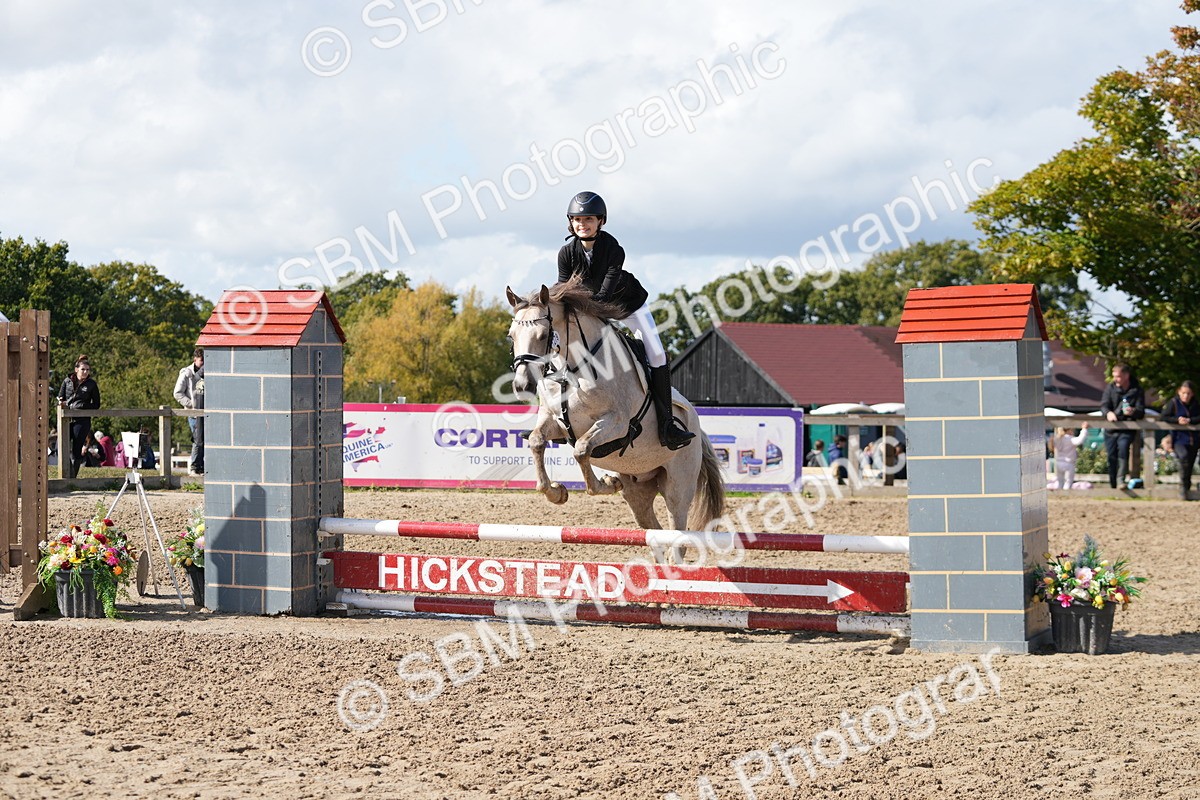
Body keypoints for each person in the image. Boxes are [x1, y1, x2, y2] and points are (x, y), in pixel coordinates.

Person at [557, 192, 694, 450]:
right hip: (592, 311)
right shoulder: (566, 253)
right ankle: (555, 418)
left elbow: (604, 294)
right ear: (570, 222)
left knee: (656, 354)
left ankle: (667, 425)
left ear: (601, 221)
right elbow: (563, 289)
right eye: (577, 219)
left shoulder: (613, 249)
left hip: (626, 307)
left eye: (588, 219)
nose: (582, 224)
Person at [1099, 363, 1145, 489]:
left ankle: (1121, 480)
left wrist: (1133, 411)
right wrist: (1108, 413)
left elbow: (1141, 411)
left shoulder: (1136, 390)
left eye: (1118, 376)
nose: (1116, 379)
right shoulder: (1110, 388)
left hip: (1127, 428)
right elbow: (1103, 405)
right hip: (1111, 428)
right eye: (1114, 376)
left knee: (1123, 449)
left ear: (1126, 376)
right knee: (1111, 455)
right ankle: (1113, 484)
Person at [57, 355, 100, 477]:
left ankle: (72, 476)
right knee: (62, 445)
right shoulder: (67, 381)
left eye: (88, 370)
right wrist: (61, 402)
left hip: (82, 420)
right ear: (76, 369)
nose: (85, 372)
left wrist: (82, 406)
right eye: (83, 369)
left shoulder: (91, 384)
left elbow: (96, 404)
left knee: (77, 449)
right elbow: (60, 397)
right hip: (66, 418)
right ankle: (66, 473)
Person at [1163, 380, 1199, 500]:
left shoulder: (1195, 404)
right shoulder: (1174, 403)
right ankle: (1183, 487)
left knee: (1190, 463)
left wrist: (1190, 421)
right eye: (1183, 393)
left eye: (1188, 393)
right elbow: (1164, 416)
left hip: (1193, 439)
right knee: (1183, 458)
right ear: (1179, 392)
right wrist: (1177, 420)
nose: (1186, 396)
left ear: (1192, 394)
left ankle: (1187, 486)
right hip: (1179, 438)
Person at [174, 347, 205, 475]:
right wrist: (192, 404)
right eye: (201, 360)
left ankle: (201, 466)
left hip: (205, 412)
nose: (203, 363)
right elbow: (177, 393)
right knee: (197, 439)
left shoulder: (207, 372)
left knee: (205, 440)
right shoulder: (186, 373)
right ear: (195, 359)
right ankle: (194, 467)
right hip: (193, 413)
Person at [1051, 423, 1089, 490]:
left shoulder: (1057, 438)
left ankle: (1059, 495)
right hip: (1069, 463)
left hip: (1059, 462)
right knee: (1068, 482)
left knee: (1060, 482)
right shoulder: (1070, 439)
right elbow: (1080, 440)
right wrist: (1084, 429)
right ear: (1069, 430)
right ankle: (1066, 496)